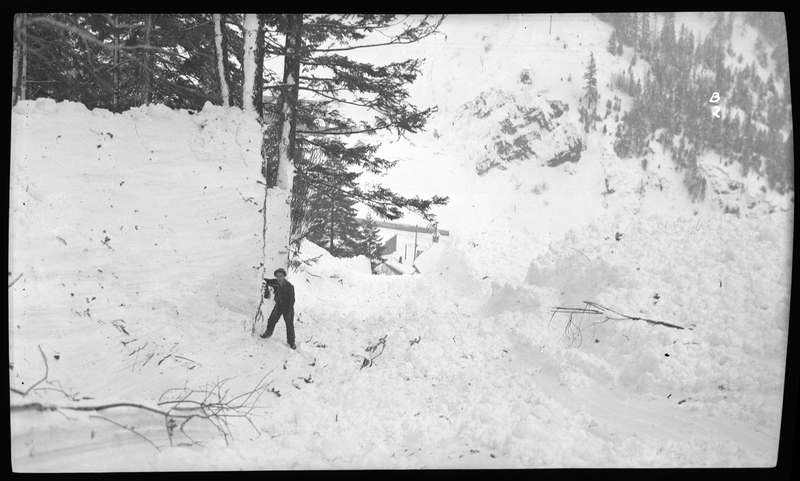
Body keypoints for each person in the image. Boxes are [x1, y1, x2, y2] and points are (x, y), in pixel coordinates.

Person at [260, 268, 296, 349]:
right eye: (278, 276)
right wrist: (260, 278)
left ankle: (291, 342)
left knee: (289, 325)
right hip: (279, 306)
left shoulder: (290, 287)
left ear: (284, 276)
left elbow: (292, 300)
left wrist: (289, 310)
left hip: (288, 308)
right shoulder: (275, 283)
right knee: (272, 319)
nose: (279, 278)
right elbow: (267, 281)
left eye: (281, 276)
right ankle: (268, 333)